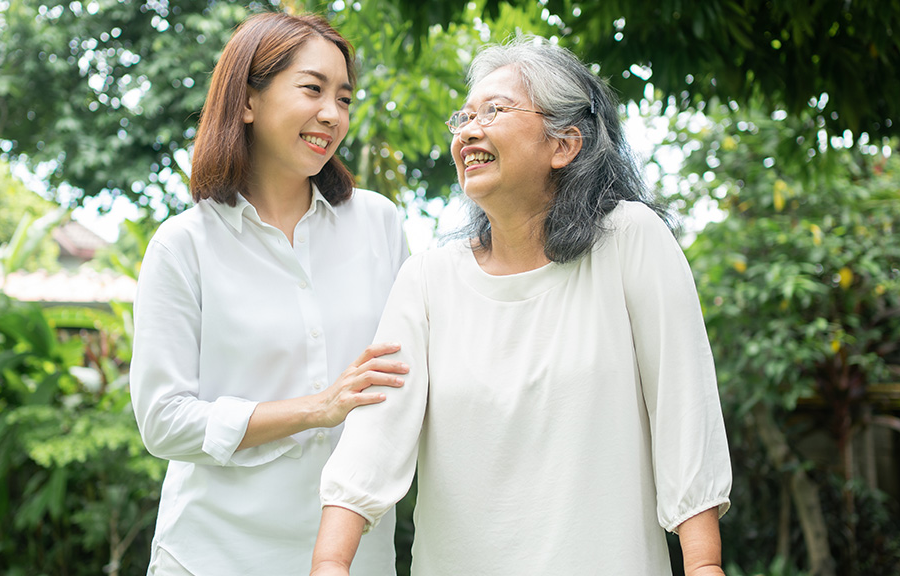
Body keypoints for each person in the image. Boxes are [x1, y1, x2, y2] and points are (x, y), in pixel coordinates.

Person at [311, 38, 732, 576]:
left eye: (495, 110)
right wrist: (329, 562)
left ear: (564, 145)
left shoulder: (630, 240)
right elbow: (375, 433)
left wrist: (703, 566)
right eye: (463, 116)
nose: (468, 130)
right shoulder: (427, 279)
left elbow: (684, 408)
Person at [129, 12, 408, 575]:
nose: (332, 113)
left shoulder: (379, 223)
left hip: (354, 558)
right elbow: (162, 420)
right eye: (312, 89)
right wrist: (315, 409)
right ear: (248, 101)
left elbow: (414, 373)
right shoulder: (183, 245)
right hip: (213, 554)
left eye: (345, 98)